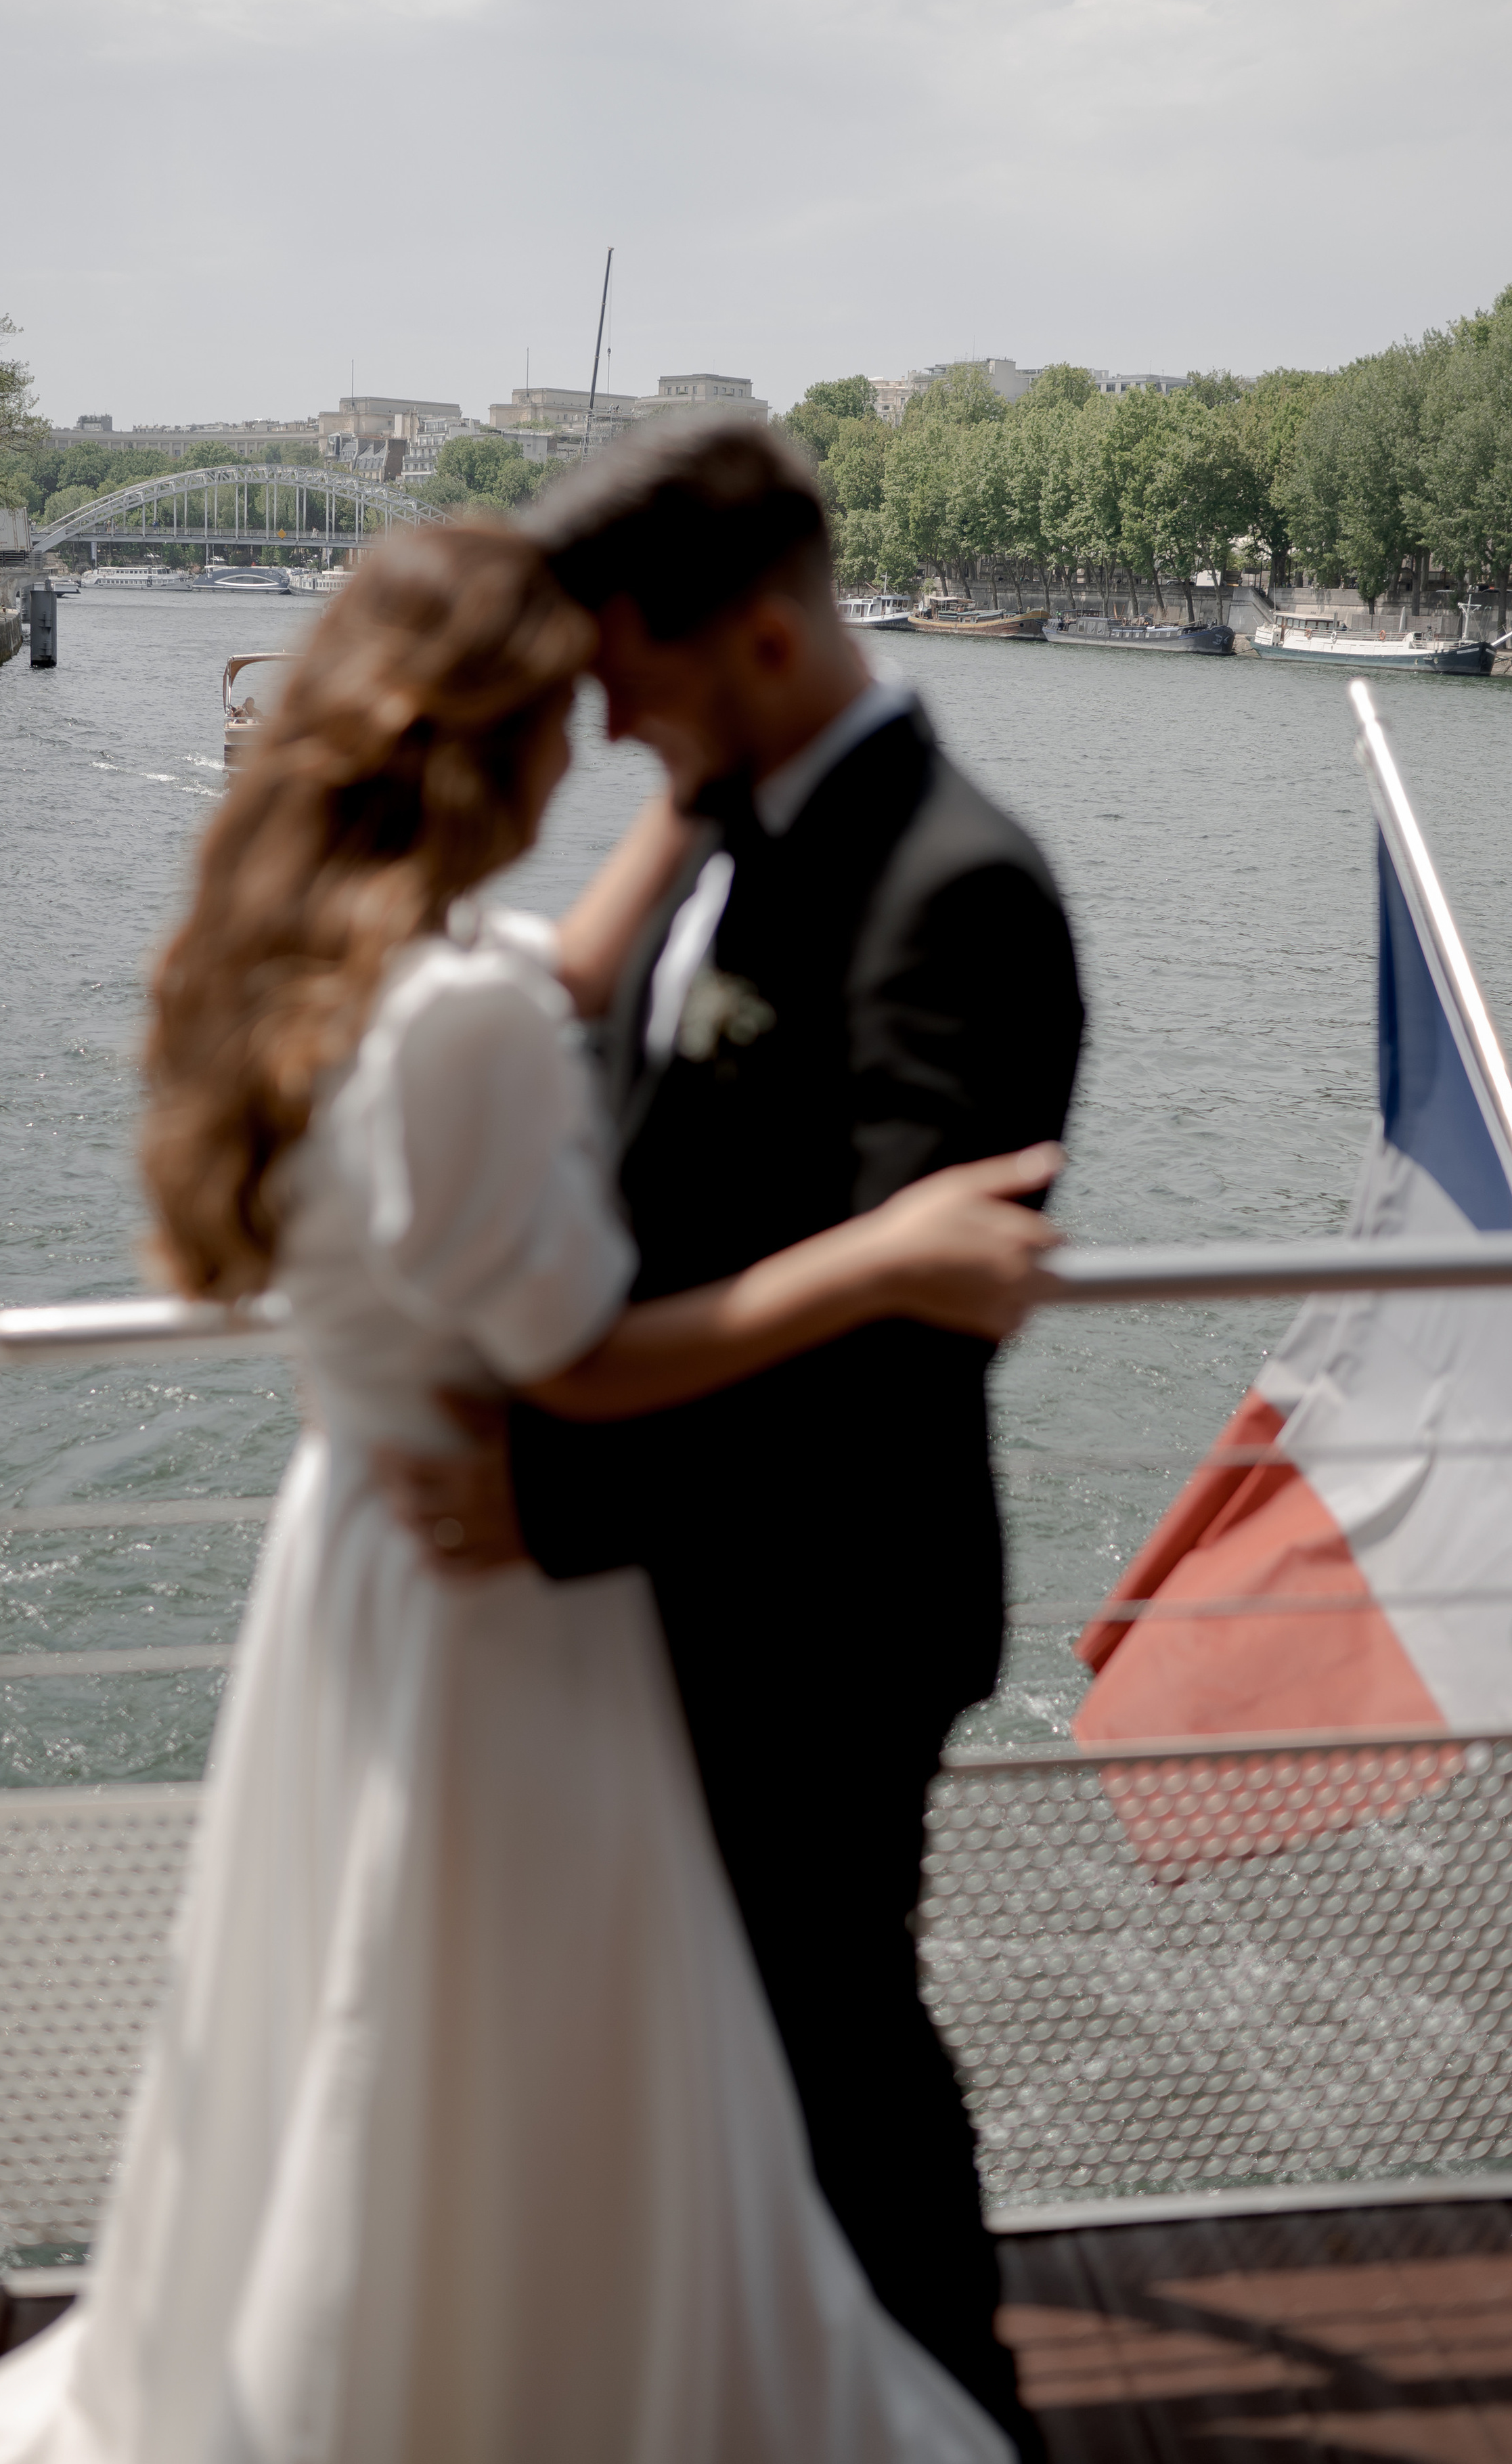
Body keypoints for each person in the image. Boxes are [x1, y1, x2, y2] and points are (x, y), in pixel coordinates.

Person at [0, 524, 1061, 2464]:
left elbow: (555, 981)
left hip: (352, 1554)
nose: (599, 732)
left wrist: (691, 802)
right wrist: (888, 1256)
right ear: (494, 746)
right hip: (498, 1592)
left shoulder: (324, 957)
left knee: (355, 2026)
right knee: (517, 2043)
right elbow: (582, 1359)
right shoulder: (464, 1022)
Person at [378, 425, 1084, 2457]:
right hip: (644, 1608)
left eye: (626, 669)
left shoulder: (960, 895)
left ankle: (971, 2418)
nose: (596, 719)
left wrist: (560, 1488)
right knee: (702, 2073)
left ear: (761, 636)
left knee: (836, 2056)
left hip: (823, 1620)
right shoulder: (708, 831)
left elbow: (904, 1364)